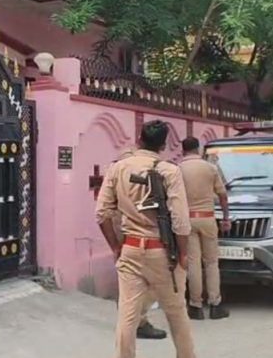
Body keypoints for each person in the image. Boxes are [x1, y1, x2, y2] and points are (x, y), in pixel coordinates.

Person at [95, 120, 196, 358]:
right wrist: (183, 254)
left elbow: (102, 213)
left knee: (127, 316)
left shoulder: (118, 168)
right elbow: (180, 220)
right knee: (176, 313)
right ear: (163, 145)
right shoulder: (169, 171)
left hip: (130, 248)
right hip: (163, 252)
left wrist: (115, 247)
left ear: (139, 139)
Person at [112, 147, 168, 340]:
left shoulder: (118, 174)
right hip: (132, 232)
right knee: (149, 281)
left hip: (127, 231)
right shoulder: (125, 175)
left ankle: (132, 320)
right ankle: (138, 321)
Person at [179, 137, 231, 320]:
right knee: (211, 262)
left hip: (188, 219)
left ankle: (195, 306)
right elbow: (223, 196)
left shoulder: (178, 169)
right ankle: (215, 304)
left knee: (193, 262)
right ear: (198, 149)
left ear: (183, 150)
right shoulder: (210, 168)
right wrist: (226, 218)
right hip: (208, 218)